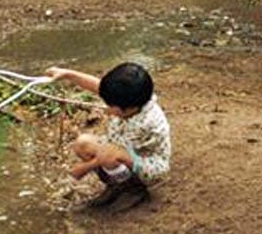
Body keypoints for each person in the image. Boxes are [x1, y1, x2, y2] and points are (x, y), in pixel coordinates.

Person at [46, 61, 171, 212]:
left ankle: (134, 190)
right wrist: (67, 74)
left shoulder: (144, 123)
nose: (106, 107)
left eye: (111, 105)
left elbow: (112, 153)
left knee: (108, 155)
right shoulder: (135, 99)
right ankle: (116, 185)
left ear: (127, 109)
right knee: (83, 143)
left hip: (148, 164)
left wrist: (82, 169)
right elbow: (96, 86)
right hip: (122, 150)